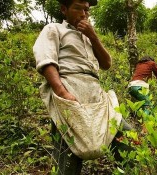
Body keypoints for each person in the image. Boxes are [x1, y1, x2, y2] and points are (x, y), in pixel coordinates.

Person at [33, 0, 133, 174]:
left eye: (86, 10)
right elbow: (47, 61)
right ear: (64, 9)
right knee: (68, 155)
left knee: (127, 137)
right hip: (70, 89)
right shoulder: (54, 29)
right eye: (78, 8)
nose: (83, 14)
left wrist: (93, 36)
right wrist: (62, 92)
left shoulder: (88, 36)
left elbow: (107, 64)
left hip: (95, 93)